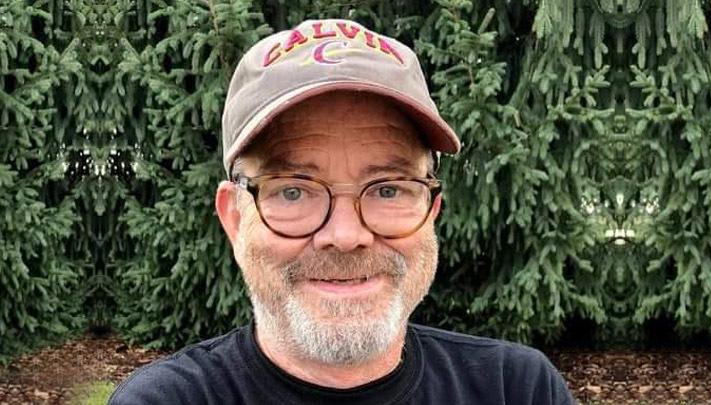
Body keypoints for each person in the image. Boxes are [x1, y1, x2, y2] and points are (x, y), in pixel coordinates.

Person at [109, 19, 575, 405]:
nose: (347, 235)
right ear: (234, 219)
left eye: (388, 190)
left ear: (432, 211)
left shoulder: (517, 389)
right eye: (293, 192)